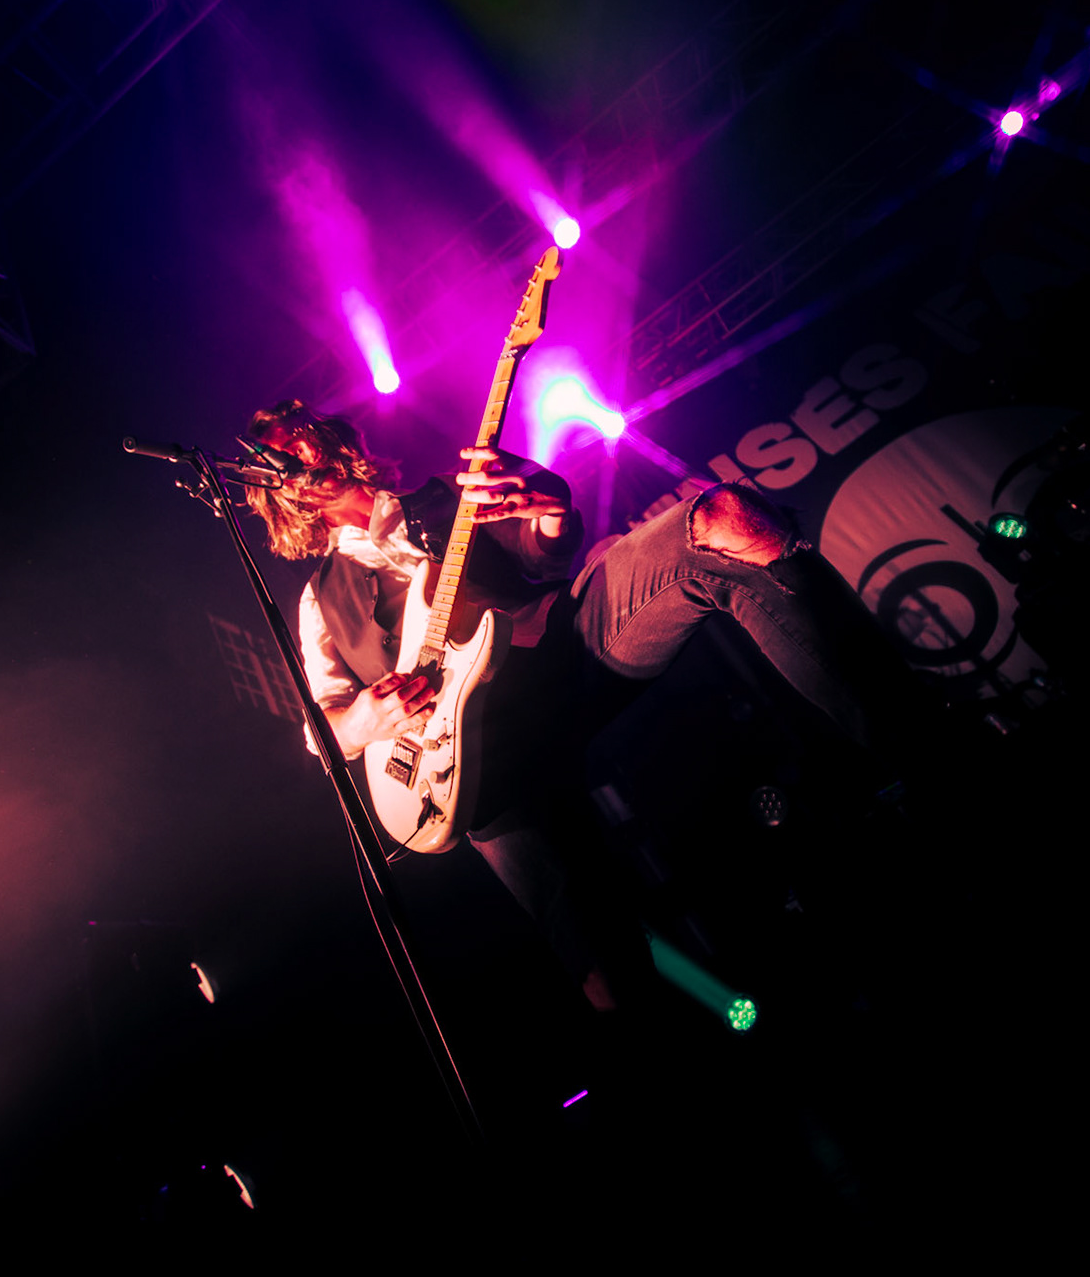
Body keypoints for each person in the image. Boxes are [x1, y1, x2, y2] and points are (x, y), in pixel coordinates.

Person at [244, 399, 921, 1009]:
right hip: (476, 765)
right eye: (280, 451)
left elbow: (545, 553)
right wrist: (363, 720)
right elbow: (323, 725)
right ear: (276, 490)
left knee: (726, 519)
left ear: (334, 437)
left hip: (562, 652)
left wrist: (546, 503)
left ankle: (925, 751)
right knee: (607, 979)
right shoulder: (318, 600)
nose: (298, 450)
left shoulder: (451, 493)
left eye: (303, 433)